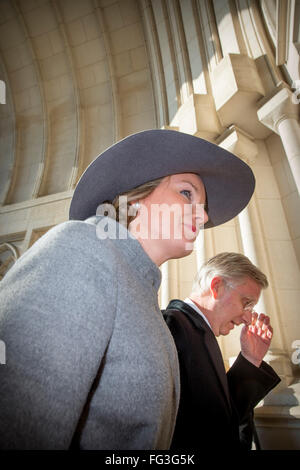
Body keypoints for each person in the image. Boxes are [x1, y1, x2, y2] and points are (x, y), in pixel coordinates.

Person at [0, 129, 255, 450]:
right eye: (187, 194)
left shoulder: (143, 296)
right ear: (135, 197)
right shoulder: (82, 247)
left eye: (203, 206)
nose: (203, 216)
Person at [163, 252, 281, 450]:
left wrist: (250, 359)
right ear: (216, 286)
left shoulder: (200, 333)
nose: (248, 318)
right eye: (246, 303)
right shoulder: (172, 326)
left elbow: (221, 420)